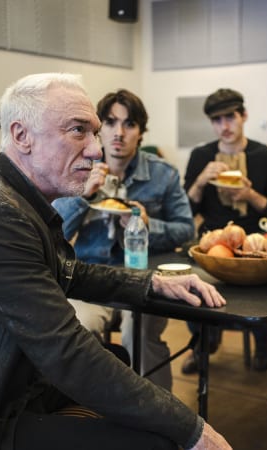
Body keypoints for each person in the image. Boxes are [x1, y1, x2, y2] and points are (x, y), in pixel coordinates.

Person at [0, 73, 231, 450]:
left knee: (116, 355)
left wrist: (152, 282)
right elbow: (66, 353)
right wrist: (192, 429)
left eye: (94, 133)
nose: (96, 150)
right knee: (160, 442)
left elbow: (70, 272)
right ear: (22, 136)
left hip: (1, 391)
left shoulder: (16, 200)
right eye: (78, 131)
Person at [53, 89, 194, 391]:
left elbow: (186, 230)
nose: (119, 133)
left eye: (129, 124)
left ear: (141, 132)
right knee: (76, 330)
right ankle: (89, 413)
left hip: (144, 281)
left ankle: (161, 423)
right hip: (89, 279)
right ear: (98, 128)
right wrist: (83, 197)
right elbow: (52, 230)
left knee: (140, 334)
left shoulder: (162, 174)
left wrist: (146, 225)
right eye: (110, 122)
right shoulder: (79, 168)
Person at [182, 88, 267, 373]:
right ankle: (203, 341)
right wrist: (200, 182)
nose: (224, 126)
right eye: (217, 120)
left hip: (255, 244)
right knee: (187, 286)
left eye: (230, 117)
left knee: (258, 291)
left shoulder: (266, 156)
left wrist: (252, 196)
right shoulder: (201, 156)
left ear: (244, 116)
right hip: (211, 242)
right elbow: (184, 211)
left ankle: (263, 339)